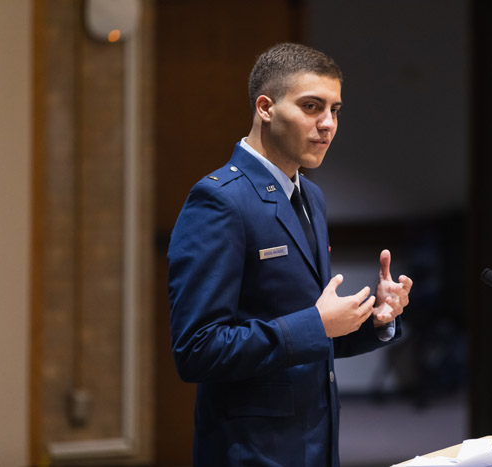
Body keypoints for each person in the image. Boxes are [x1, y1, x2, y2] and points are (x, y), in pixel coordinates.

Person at [168, 42, 413, 467]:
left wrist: (373, 319)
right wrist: (316, 324)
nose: (327, 124)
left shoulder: (310, 196)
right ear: (265, 107)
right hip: (251, 452)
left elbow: (309, 335)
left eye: (335, 110)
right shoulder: (219, 200)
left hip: (315, 444)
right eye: (312, 106)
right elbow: (197, 349)